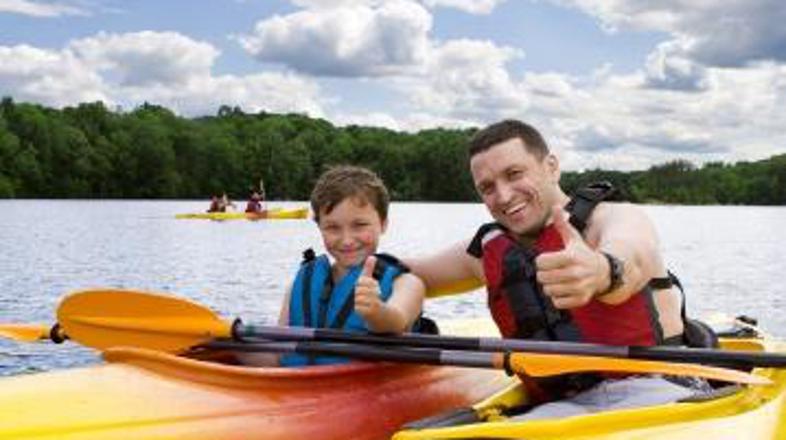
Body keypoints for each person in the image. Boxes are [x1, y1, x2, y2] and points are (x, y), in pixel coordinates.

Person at [405, 119, 710, 419]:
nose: (504, 196)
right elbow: (411, 273)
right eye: (487, 188)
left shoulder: (613, 218)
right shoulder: (485, 252)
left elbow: (632, 257)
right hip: (561, 409)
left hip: (657, 394)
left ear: (551, 167)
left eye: (514, 174)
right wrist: (377, 275)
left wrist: (601, 272)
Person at [276, 165, 426, 366]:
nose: (347, 240)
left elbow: (398, 321)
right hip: (299, 382)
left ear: (383, 223)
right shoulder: (299, 285)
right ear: (320, 227)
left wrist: (377, 312)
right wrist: (232, 341)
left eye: (359, 225)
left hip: (372, 383)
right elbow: (277, 355)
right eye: (333, 227)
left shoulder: (408, 284)